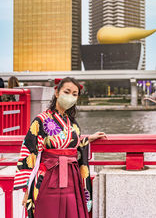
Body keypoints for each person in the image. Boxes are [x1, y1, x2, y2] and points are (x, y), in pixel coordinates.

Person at [14, 77, 106, 218]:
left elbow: (71, 144)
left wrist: (87, 139)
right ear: (57, 93)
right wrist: (27, 189)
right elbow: (28, 150)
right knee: (47, 211)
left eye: (74, 94)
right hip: (48, 175)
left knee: (71, 212)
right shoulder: (42, 119)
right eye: (67, 92)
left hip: (71, 177)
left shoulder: (72, 123)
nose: (70, 97)